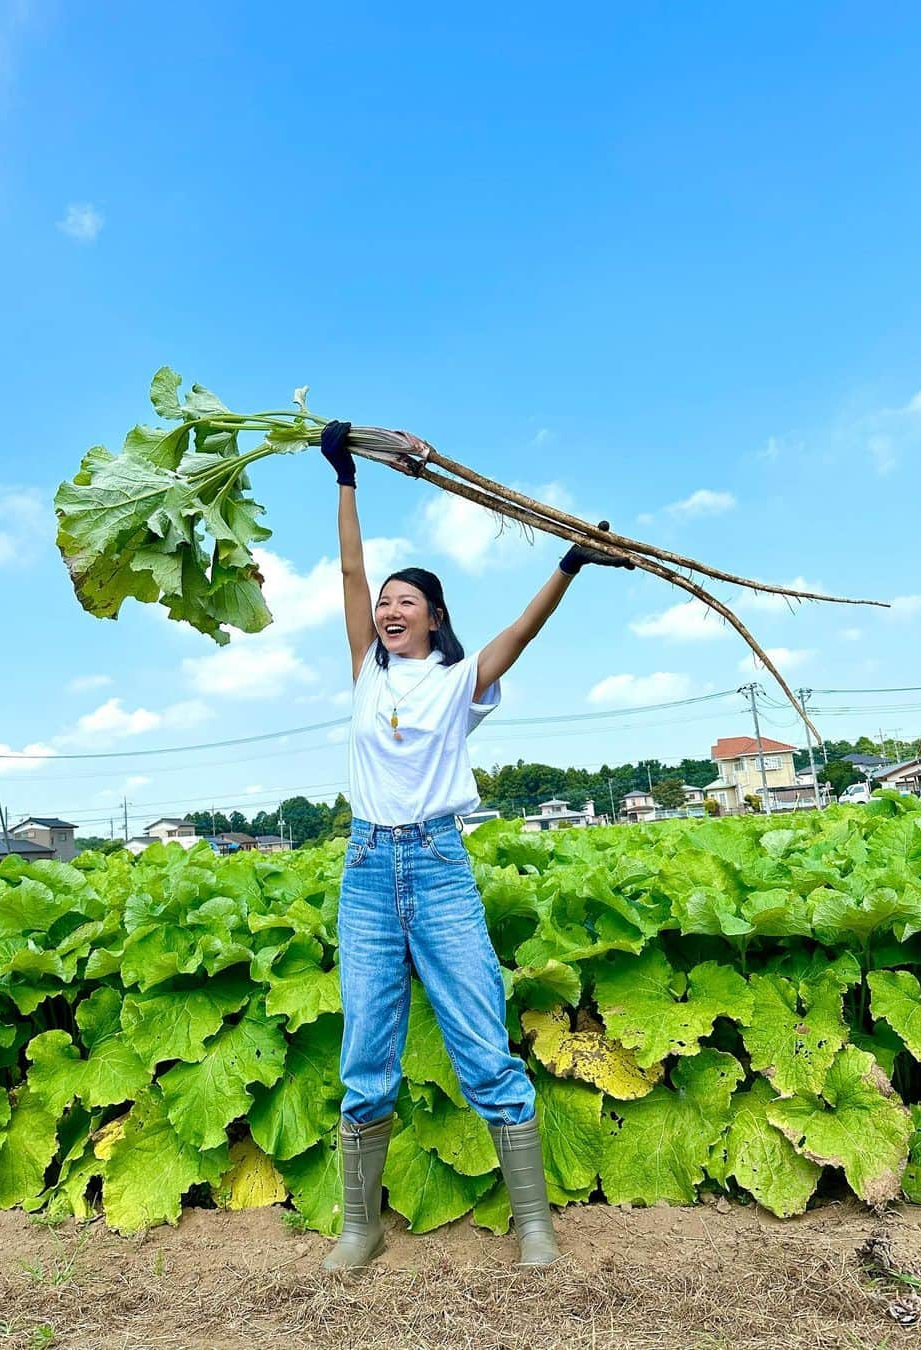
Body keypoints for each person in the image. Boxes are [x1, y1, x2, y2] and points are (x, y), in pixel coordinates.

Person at [319, 420, 633, 1271]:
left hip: (438, 863)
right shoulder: (364, 673)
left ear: (435, 617)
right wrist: (346, 476)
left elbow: (521, 633)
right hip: (366, 868)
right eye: (384, 602)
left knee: (479, 1037)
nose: (387, 609)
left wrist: (568, 562)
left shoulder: (462, 682)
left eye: (404, 602)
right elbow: (349, 569)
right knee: (366, 1046)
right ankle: (360, 1226)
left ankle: (534, 1222)